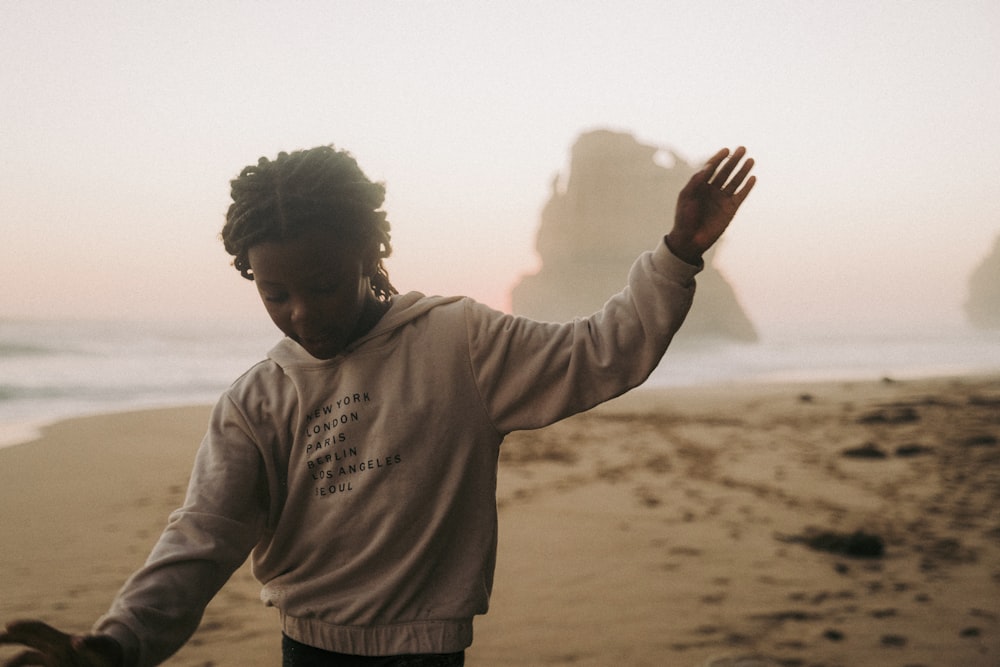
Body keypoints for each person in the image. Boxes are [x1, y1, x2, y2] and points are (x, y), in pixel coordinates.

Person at [0, 143, 756, 667]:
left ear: (369, 255)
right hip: (308, 648)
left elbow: (603, 351)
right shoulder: (258, 401)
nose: (300, 311)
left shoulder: (458, 341)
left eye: (322, 284)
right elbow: (201, 538)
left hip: (429, 649)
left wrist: (678, 255)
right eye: (274, 293)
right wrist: (110, 646)